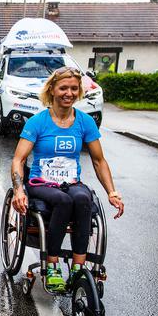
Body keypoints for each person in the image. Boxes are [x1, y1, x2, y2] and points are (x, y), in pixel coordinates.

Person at [11, 66, 124, 291]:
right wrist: (18, 190)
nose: (69, 93)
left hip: (71, 182)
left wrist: (112, 191)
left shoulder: (85, 122)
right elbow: (18, 160)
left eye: (74, 88)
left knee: (83, 199)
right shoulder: (38, 122)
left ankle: (78, 268)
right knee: (63, 201)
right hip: (41, 183)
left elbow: (99, 160)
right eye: (63, 88)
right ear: (52, 89)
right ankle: (52, 265)